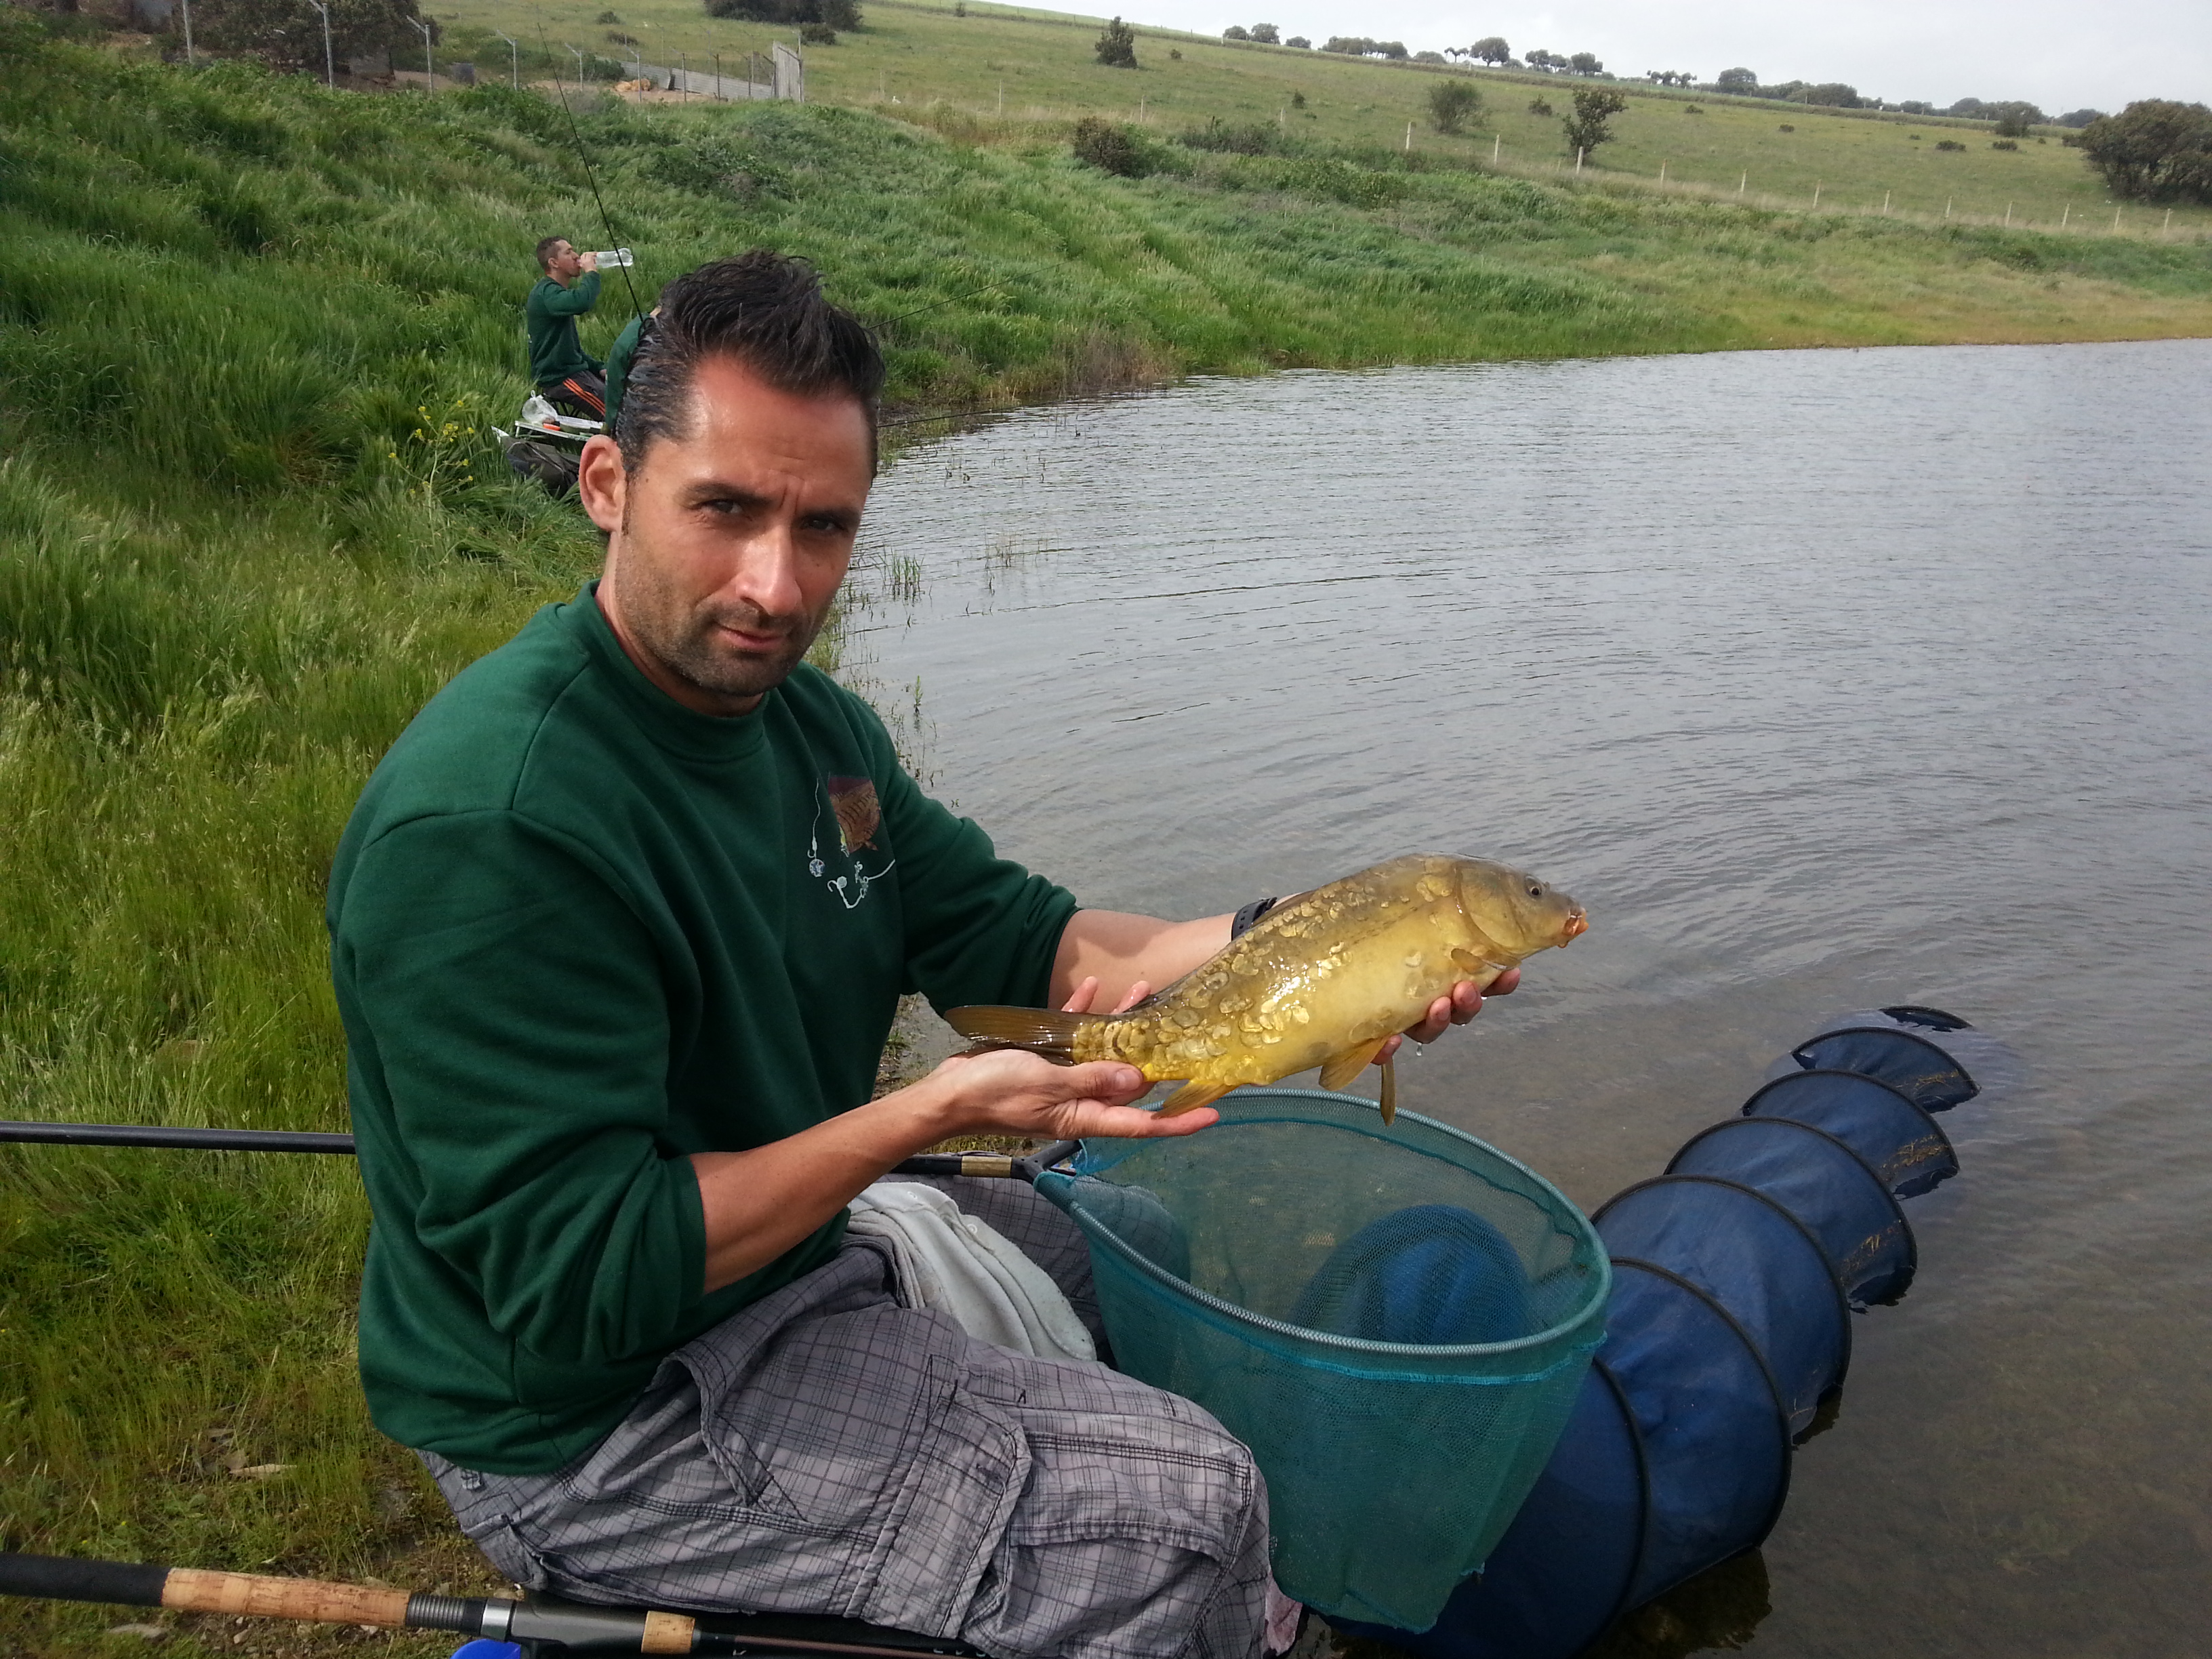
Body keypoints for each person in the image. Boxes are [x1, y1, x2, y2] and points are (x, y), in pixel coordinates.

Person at [328, 251, 1504, 1659]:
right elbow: (590, 1276)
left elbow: (1036, 943)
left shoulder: (815, 738)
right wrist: (927, 1112)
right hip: (594, 1414)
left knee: (1131, 1246)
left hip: (786, 1255)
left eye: (823, 527)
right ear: (606, 487)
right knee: (1192, 1512)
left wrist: (1308, 945)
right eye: (726, 511)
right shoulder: (496, 824)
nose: (775, 582)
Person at [527, 236, 607, 420]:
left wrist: (599, 368)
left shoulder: (555, 294)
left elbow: (570, 350)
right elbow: (581, 302)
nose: (576, 256)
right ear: (554, 263)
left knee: (622, 395)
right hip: (559, 379)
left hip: (574, 372)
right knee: (615, 412)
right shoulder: (546, 294)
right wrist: (592, 273)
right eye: (568, 252)